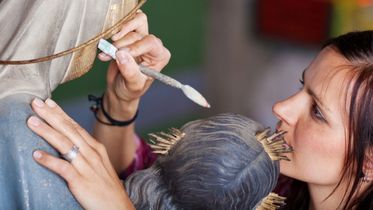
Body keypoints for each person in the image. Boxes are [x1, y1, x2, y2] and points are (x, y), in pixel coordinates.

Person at [27, 12, 373, 210]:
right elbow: (142, 172)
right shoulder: (274, 186)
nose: (281, 107)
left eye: (317, 112)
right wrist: (122, 100)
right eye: (302, 85)